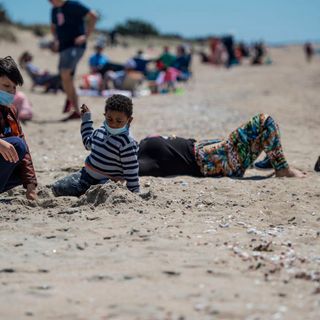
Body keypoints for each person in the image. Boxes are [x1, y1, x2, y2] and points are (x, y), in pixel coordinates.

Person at [138, 113, 305, 178]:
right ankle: (282, 169)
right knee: (265, 121)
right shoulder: (143, 161)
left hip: (216, 153)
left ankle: (269, 160)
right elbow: (129, 170)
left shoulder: (139, 146)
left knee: (261, 132)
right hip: (215, 161)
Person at [52, 94, 140, 197]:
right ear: (105, 115)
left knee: (103, 194)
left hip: (107, 182)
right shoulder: (100, 131)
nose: (113, 124)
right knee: (58, 188)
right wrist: (86, 120)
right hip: (86, 175)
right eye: (109, 119)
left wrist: (134, 191)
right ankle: (83, 190)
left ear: (129, 120)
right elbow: (87, 143)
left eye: (119, 121)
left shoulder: (127, 142)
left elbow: (131, 169)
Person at [49, 0, 97, 120]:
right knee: (66, 77)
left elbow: (93, 16)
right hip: (63, 47)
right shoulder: (54, 10)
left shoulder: (73, 5)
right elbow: (53, 27)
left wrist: (86, 36)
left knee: (66, 73)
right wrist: (56, 40)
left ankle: (72, 103)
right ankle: (74, 107)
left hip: (76, 46)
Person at [0, 56, 37, 200]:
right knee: (17, 145)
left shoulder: (11, 111)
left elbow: (24, 151)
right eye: (6, 86)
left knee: (20, 154)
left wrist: (30, 185)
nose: (11, 92)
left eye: (14, 87)